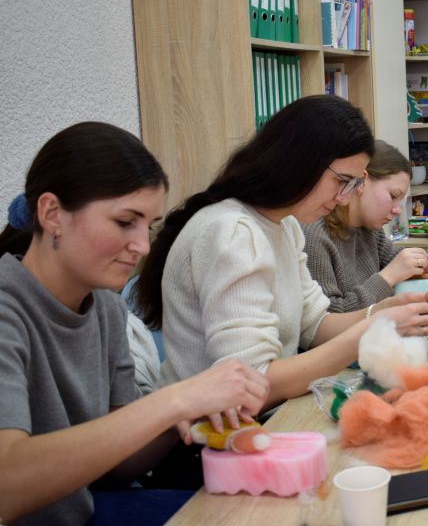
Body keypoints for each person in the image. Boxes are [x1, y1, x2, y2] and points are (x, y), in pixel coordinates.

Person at [0, 122, 268, 526]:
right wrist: (172, 401)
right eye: (126, 222)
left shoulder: (106, 307)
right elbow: (7, 485)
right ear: (52, 214)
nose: (143, 246)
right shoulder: (7, 310)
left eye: (149, 225)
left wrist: (186, 415)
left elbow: (118, 467)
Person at [135, 95, 428, 411]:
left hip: (263, 416)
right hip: (210, 433)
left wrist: (380, 313)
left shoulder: (286, 225)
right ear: (299, 161)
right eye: (342, 181)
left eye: (353, 184)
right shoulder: (233, 233)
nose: (343, 198)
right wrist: (370, 328)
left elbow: (315, 324)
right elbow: (249, 383)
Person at [303, 140, 428, 313]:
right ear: (362, 181)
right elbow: (328, 318)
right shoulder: (314, 234)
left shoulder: (370, 230)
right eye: (393, 196)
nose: (397, 210)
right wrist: (389, 276)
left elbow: (397, 264)